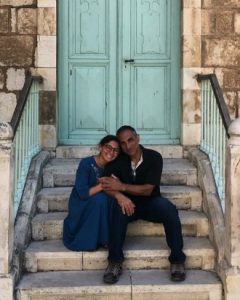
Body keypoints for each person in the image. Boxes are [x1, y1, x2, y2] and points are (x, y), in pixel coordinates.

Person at [99, 125, 186, 284]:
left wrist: (122, 187)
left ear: (137, 138)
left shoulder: (154, 157)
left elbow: (148, 189)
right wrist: (119, 195)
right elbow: (106, 185)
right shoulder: (117, 160)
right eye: (123, 143)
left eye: (130, 140)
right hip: (128, 204)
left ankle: (177, 260)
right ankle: (114, 262)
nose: (128, 146)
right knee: (117, 212)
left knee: (169, 210)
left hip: (150, 201)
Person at [63, 135, 120, 251]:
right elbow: (83, 193)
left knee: (111, 200)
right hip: (81, 203)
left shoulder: (113, 166)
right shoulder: (86, 164)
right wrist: (104, 185)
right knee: (101, 199)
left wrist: (117, 183)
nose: (111, 152)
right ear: (100, 147)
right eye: (108, 147)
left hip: (98, 201)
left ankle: (106, 237)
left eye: (115, 150)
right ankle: (98, 239)